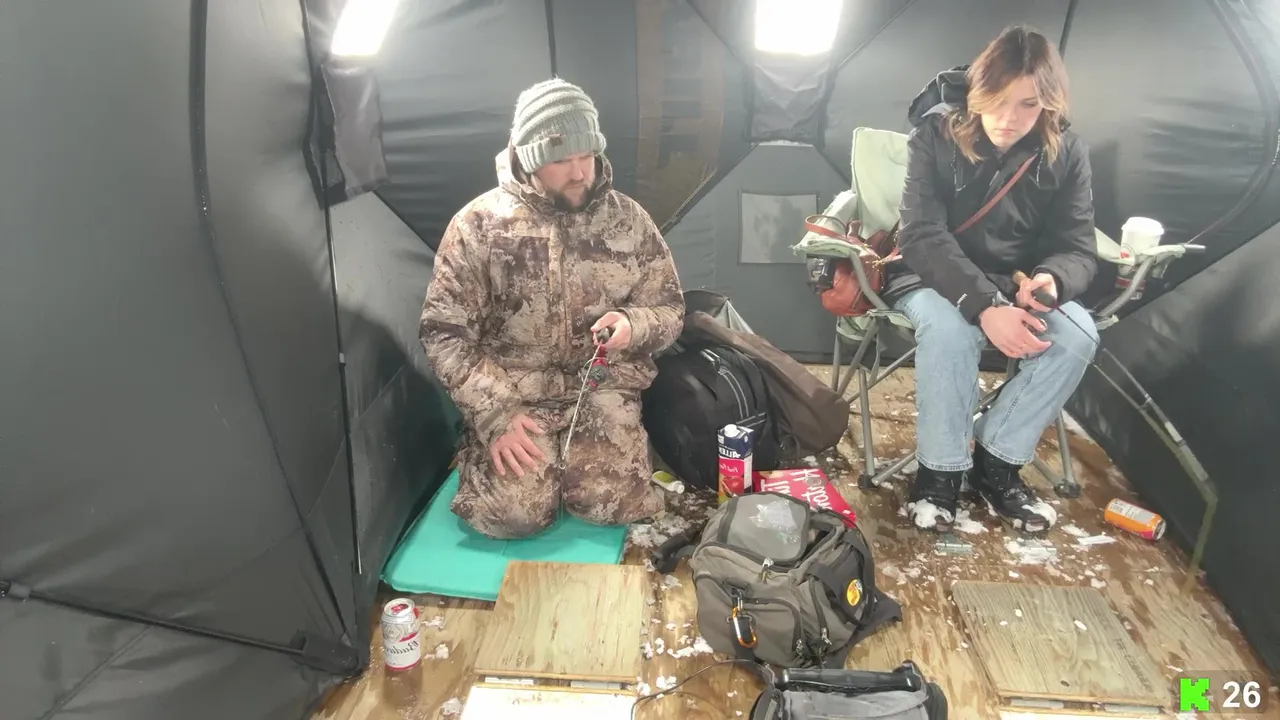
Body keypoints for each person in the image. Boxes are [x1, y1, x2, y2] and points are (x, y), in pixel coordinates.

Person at [419, 78, 685, 539]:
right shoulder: (478, 226)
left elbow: (670, 309)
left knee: (610, 505)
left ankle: (602, 455)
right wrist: (495, 414)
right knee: (512, 519)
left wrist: (633, 324)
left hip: (602, 390)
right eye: (562, 160)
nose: (580, 173)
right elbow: (444, 333)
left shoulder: (629, 220)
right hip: (516, 398)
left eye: (587, 155)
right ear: (530, 158)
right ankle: (480, 451)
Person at [886, 25, 1100, 533]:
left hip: (1014, 281)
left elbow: (1077, 247)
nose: (1009, 118)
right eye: (997, 100)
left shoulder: (1066, 152)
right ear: (976, 92)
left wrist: (1050, 280)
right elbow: (920, 234)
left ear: (1048, 104)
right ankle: (939, 474)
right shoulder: (934, 137)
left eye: (1028, 105)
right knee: (951, 330)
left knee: (1077, 336)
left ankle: (997, 461)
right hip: (929, 274)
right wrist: (985, 305)